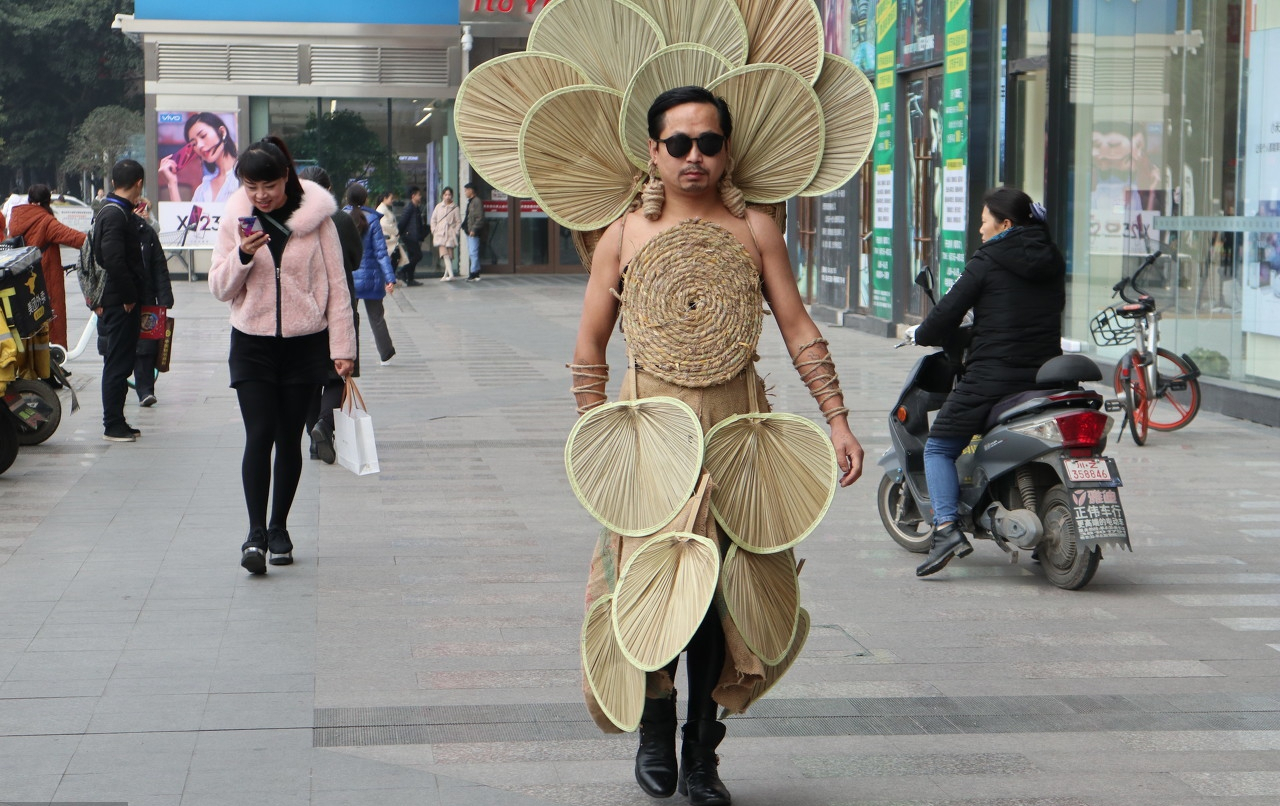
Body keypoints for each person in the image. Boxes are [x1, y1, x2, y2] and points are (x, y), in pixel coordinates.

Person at [571, 86, 864, 806]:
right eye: (679, 144)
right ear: (653, 151)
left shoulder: (756, 229)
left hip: (737, 436)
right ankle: (653, 724)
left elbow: (798, 327)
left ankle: (702, 750)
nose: (693, 156)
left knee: (718, 597)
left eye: (707, 143)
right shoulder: (623, 236)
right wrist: (599, 438)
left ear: (727, 150)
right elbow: (588, 349)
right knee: (650, 581)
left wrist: (837, 418)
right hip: (649, 438)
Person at [209, 135, 356, 574]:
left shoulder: (317, 221)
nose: (261, 195)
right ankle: (254, 535)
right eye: (251, 187)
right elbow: (219, 288)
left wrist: (343, 348)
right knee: (259, 435)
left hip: (304, 343)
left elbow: (337, 287)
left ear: (286, 178)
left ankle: (279, 528)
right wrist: (241, 256)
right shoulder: (237, 220)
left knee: (290, 438)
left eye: (268, 185)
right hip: (251, 343)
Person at [907, 186, 1064, 577]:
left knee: (939, 446)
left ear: (1005, 224)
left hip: (995, 374)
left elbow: (947, 312)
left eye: (983, 221)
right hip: (1045, 374)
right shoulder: (1052, 256)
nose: (980, 230)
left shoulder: (989, 258)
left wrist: (921, 333)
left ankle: (945, 529)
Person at [299, 165, 362, 465]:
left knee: (311, 375)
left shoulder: (293, 220)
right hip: (340, 303)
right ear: (330, 189)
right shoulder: (340, 219)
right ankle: (324, 425)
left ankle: (314, 441)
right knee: (338, 371)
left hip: (307, 309)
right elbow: (356, 259)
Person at [94, 160, 149, 442]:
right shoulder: (115, 214)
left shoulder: (115, 210)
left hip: (117, 298)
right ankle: (112, 423)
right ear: (138, 182)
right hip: (119, 301)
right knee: (117, 362)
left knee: (121, 360)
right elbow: (112, 258)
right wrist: (128, 296)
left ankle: (118, 419)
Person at [6, 184, 87, 351]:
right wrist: (103, 239)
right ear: (46, 201)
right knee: (50, 320)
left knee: (28, 320)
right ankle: (53, 357)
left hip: (22, 280)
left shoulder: (16, 218)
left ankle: (31, 361)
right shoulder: (45, 221)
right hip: (44, 278)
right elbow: (74, 238)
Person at [344, 184, 398, 365]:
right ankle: (386, 354)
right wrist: (390, 278)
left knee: (348, 318)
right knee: (377, 317)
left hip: (348, 278)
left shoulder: (340, 219)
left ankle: (349, 355)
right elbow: (381, 252)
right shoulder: (373, 220)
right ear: (365, 199)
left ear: (347, 199)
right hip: (372, 278)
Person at [132, 196, 174, 407]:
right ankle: (116, 390)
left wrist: (164, 299)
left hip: (146, 298)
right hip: (118, 300)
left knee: (147, 347)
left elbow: (159, 266)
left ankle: (146, 390)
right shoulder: (111, 227)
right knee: (116, 348)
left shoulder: (146, 232)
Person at [158, 112, 240, 203]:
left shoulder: (243, 176)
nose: (199, 146)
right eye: (194, 144)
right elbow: (190, 217)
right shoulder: (204, 188)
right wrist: (171, 183)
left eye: (203, 136)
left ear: (222, 132)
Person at [429, 187, 462, 281]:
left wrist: (455, 231)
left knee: (449, 255)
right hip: (440, 234)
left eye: (449, 194)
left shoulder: (455, 208)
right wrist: (434, 230)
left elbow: (458, 221)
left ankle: (446, 274)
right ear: (442, 196)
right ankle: (451, 275)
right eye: (445, 195)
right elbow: (433, 219)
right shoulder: (438, 206)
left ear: (452, 195)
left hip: (450, 234)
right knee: (444, 254)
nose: (447, 197)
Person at [396, 186, 425, 286]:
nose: (420, 197)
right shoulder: (409, 208)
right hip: (409, 236)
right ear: (413, 196)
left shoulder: (416, 208)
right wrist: (398, 232)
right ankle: (401, 272)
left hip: (414, 236)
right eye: (419, 195)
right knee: (418, 255)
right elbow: (403, 222)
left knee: (412, 256)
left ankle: (410, 279)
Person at [375, 190, 402, 283]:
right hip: (387, 237)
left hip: (389, 237)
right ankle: (390, 278)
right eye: (391, 198)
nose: (392, 200)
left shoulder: (384, 208)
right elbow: (385, 224)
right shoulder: (382, 209)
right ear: (385, 198)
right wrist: (396, 231)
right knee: (394, 256)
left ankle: (390, 277)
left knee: (394, 256)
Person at [462, 182, 484, 282]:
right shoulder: (471, 201)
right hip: (469, 231)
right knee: (472, 252)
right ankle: (476, 272)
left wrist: (474, 229)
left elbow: (479, 217)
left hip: (473, 232)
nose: (465, 192)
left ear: (471, 190)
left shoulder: (476, 201)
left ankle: (474, 273)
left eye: (466, 190)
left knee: (473, 252)